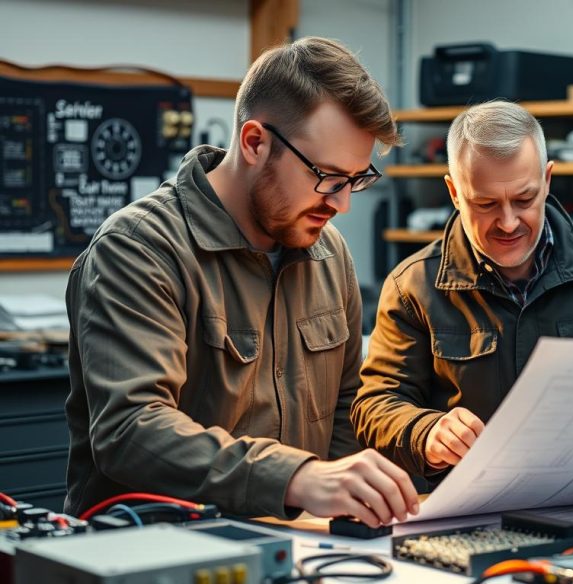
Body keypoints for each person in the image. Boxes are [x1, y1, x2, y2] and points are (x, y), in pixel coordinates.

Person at [64, 37, 418, 525]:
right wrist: (298, 479)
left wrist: (348, 509)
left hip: (301, 551)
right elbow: (131, 429)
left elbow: (344, 408)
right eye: (328, 177)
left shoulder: (328, 253)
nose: (342, 204)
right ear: (254, 142)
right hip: (156, 554)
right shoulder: (139, 248)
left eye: (355, 180)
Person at [352, 100, 573, 480]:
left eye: (524, 199)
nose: (507, 223)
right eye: (485, 203)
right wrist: (425, 432)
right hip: (472, 510)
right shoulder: (413, 287)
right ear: (454, 192)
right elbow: (375, 406)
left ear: (547, 180)